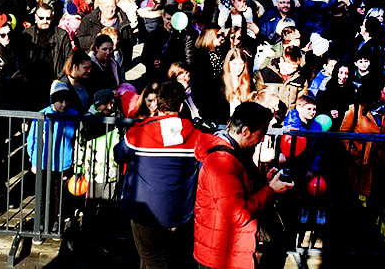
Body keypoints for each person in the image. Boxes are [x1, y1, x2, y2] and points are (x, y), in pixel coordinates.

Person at [114, 81, 207, 269]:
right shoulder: (197, 136)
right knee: (153, 255)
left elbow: (119, 155)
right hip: (178, 210)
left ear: (158, 103)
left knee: (152, 257)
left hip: (144, 209)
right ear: (181, 106)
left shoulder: (139, 133)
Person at [193, 102, 293, 269]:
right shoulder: (222, 161)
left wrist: (265, 181)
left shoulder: (235, 152)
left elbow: (239, 189)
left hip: (226, 249)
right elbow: (239, 215)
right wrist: (270, 190)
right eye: (261, 135)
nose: (261, 140)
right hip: (221, 256)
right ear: (246, 131)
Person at [26, 81, 79, 233]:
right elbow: (33, 140)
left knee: (59, 195)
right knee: (42, 193)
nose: (63, 104)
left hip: (64, 162)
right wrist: (34, 161)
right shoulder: (42, 115)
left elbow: (77, 138)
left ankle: (57, 221)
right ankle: (41, 222)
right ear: (52, 101)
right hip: (44, 162)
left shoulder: (73, 115)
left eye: (66, 101)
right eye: (60, 101)